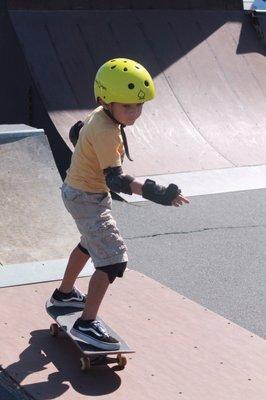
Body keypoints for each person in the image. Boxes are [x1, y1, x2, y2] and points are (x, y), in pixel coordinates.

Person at [50, 58, 189, 350]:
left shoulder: (100, 115)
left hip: (77, 192)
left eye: (139, 105)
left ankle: (64, 295)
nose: (135, 112)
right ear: (106, 100)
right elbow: (115, 180)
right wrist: (158, 192)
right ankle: (87, 325)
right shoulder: (106, 130)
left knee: (89, 243)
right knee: (113, 260)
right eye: (128, 106)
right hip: (88, 198)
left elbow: (77, 133)